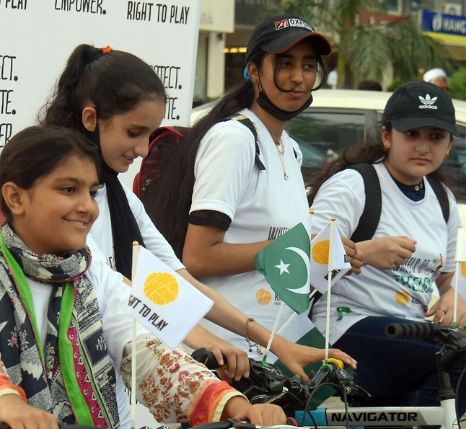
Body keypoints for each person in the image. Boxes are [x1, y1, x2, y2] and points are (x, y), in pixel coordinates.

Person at [0, 126, 285, 429]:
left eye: (92, 192)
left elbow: (146, 353)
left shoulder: (95, 275)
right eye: (69, 190)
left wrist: (233, 405)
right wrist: (10, 407)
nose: (89, 207)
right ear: (16, 197)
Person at [38, 45, 350, 389]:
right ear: (91, 119)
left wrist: (275, 343)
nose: (143, 150)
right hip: (60, 380)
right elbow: (115, 284)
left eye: (148, 134)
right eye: (133, 133)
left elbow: (179, 280)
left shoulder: (119, 195)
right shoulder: (56, 201)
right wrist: (202, 338)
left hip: (109, 380)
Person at [142, 15, 361, 362]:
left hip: (277, 344)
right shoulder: (234, 139)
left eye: (308, 66)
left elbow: (279, 249)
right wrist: (295, 247)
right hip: (228, 350)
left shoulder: (289, 147)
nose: (298, 77)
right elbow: (197, 257)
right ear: (254, 70)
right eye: (285, 63)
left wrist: (324, 251)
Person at [308, 81, 466, 429]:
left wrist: (455, 298)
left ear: (449, 145)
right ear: (387, 135)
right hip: (345, 329)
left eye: (436, 137)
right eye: (412, 134)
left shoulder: (442, 198)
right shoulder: (356, 184)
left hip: (407, 335)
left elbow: (449, 276)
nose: (423, 146)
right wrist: (364, 252)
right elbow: (303, 253)